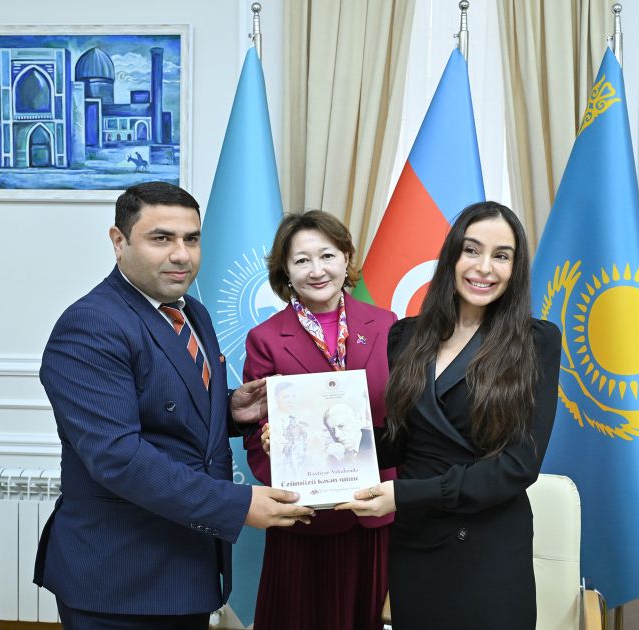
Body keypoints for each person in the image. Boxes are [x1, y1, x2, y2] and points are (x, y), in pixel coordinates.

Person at [33, 181, 314, 630]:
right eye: (161, 238)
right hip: (121, 579)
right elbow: (118, 457)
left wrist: (231, 411)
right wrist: (237, 505)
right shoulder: (90, 325)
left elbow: (164, 413)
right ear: (119, 241)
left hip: (188, 567)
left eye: (192, 239)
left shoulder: (192, 313)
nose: (182, 255)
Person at [338, 201, 562, 629]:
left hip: (489, 552)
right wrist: (321, 441)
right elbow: (403, 441)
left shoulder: (536, 342)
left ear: (516, 268)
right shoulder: (406, 335)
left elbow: (518, 466)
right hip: (417, 545)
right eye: (471, 250)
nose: (484, 267)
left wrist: (405, 495)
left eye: (501, 255)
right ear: (452, 256)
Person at [243, 210, 397, 630]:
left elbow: (403, 415)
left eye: (327, 255)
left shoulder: (387, 325)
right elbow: (255, 432)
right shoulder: (265, 339)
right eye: (302, 260)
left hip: (372, 513)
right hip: (304, 519)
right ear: (285, 271)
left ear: (346, 259)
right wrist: (274, 447)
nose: (317, 270)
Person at [322, 402, 374, 469]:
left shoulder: (373, 443)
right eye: (332, 430)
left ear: (357, 423)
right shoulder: (336, 452)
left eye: (341, 426)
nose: (337, 435)